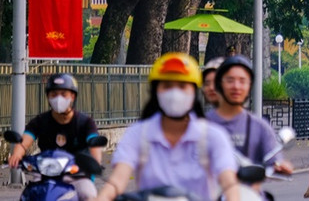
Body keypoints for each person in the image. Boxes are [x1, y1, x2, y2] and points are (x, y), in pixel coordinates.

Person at [94, 53, 240, 201]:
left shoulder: (213, 136)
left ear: (194, 92)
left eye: (182, 86)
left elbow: (229, 184)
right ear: (156, 92)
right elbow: (117, 181)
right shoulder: (138, 134)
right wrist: (102, 197)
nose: (175, 94)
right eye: (167, 86)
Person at [8, 73, 101, 200]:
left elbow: (94, 147)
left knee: (88, 194)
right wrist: (16, 155)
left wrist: (94, 163)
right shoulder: (40, 121)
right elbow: (24, 142)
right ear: (48, 97)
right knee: (28, 195)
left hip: (76, 175)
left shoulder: (85, 122)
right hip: (45, 174)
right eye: (54, 94)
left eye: (63, 94)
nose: (58, 98)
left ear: (72, 96)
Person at [207, 56, 293, 172]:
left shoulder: (260, 127)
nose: (236, 86)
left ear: (250, 85)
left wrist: (280, 166)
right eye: (230, 80)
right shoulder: (202, 125)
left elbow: (274, 160)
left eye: (242, 81)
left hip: (249, 184)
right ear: (219, 84)